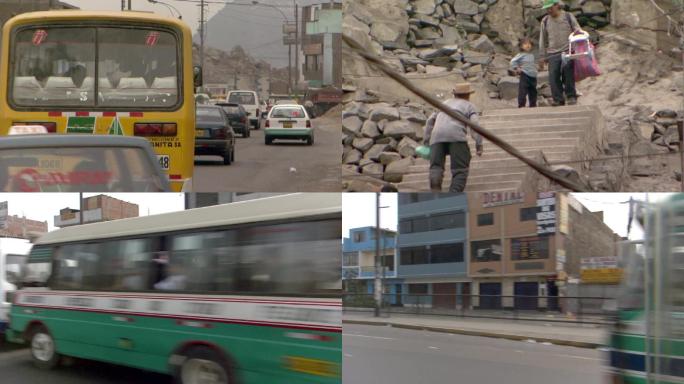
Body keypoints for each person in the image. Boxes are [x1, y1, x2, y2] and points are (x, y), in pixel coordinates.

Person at [423, 83, 483, 193]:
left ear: (454, 94)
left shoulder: (443, 104)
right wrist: (479, 144)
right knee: (460, 169)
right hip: (456, 137)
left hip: (436, 138)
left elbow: (429, 122)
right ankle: (454, 192)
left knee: (436, 167)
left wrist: (426, 143)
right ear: (468, 95)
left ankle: (435, 190)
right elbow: (475, 125)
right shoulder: (469, 105)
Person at [539, 0, 581, 106]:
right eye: (547, 9)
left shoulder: (568, 16)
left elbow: (577, 30)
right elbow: (542, 39)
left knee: (568, 74)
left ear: (557, 5)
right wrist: (542, 56)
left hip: (568, 50)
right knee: (553, 76)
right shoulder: (545, 21)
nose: (549, 10)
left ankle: (571, 96)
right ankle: (558, 99)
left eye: (550, 8)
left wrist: (578, 37)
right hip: (553, 53)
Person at [510, 37, 538, 108]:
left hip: (533, 75)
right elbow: (513, 61)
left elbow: (534, 64)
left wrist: (539, 67)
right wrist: (517, 68)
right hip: (525, 74)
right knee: (523, 90)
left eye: (529, 44)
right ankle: (521, 105)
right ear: (521, 46)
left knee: (533, 91)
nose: (528, 45)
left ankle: (533, 104)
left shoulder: (532, 55)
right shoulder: (521, 54)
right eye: (525, 44)